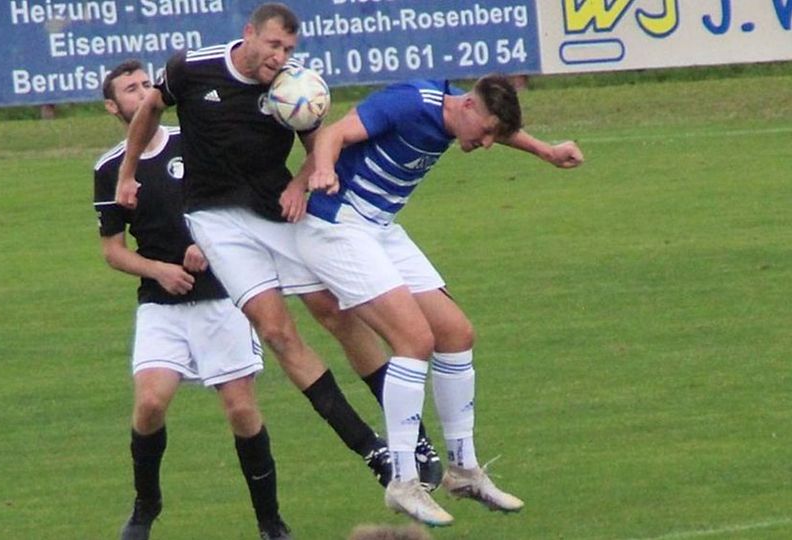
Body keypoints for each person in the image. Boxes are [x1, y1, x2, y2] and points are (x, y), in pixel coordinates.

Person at [113, 1, 447, 496]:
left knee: (334, 313)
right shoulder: (190, 67)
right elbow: (152, 109)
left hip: (278, 211)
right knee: (277, 333)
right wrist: (127, 171)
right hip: (216, 217)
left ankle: (415, 438)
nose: (280, 56)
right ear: (249, 34)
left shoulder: (294, 89)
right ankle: (369, 446)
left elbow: (322, 147)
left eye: (289, 48)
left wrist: (298, 185)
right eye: (274, 45)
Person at [295, 75, 584, 525]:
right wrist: (325, 168)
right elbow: (333, 132)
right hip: (339, 225)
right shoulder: (408, 104)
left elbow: (502, 129)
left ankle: (463, 469)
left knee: (455, 333)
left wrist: (546, 151)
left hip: (381, 227)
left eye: (493, 135)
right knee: (413, 339)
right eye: (485, 132)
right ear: (467, 106)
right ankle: (404, 481)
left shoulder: (459, 111)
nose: (487, 144)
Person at [94, 60, 290, 540]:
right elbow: (113, 252)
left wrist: (212, 243)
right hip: (161, 307)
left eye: (146, 84)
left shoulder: (194, 141)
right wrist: (158, 269)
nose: (142, 94)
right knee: (150, 405)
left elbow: (239, 204)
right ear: (112, 107)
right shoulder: (109, 170)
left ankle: (270, 523)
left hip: (224, 298)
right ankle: (146, 507)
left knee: (242, 412)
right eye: (130, 89)